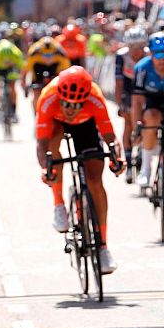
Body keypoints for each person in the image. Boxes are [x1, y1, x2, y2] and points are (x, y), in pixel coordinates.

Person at [35, 66, 124, 273]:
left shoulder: (95, 97)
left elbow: (110, 137)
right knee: (52, 151)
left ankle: (102, 246)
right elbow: (41, 144)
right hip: (56, 125)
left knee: (95, 180)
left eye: (76, 104)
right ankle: (59, 204)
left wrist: (117, 158)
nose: (70, 108)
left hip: (86, 126)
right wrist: (45, 169)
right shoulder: (48, 96)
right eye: (66, 103)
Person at [131, 32, 164, 221]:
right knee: (150, 117)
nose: (162, 60)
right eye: (158, 55)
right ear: (151, 55)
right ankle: (146, 168)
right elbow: (137, 101)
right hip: (152, 103)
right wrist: (136, 128)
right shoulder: (142, 68)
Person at [114, 27, 148, 184]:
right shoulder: (121, 56)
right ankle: (128, 161)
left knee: (146, 120)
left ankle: (142, 150)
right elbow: (119, 82)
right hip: (128, 90)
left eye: (140, 46)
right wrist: (119, 103)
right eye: (133, 47)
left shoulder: (149, 55)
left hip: (145, 89)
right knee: (128, 122)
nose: (136, 51)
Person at [22, 36, 71, 111]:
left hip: (54, 71)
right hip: (38, 71)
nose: (48, 58)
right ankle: (37, 112)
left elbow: (68, 71)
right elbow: (25, 70)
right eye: (45, 55)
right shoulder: (34, 52)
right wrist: (24, 83)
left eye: (50, 55)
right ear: (40, 53)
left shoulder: (59, 52)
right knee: (36, 93)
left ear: (54, 52)